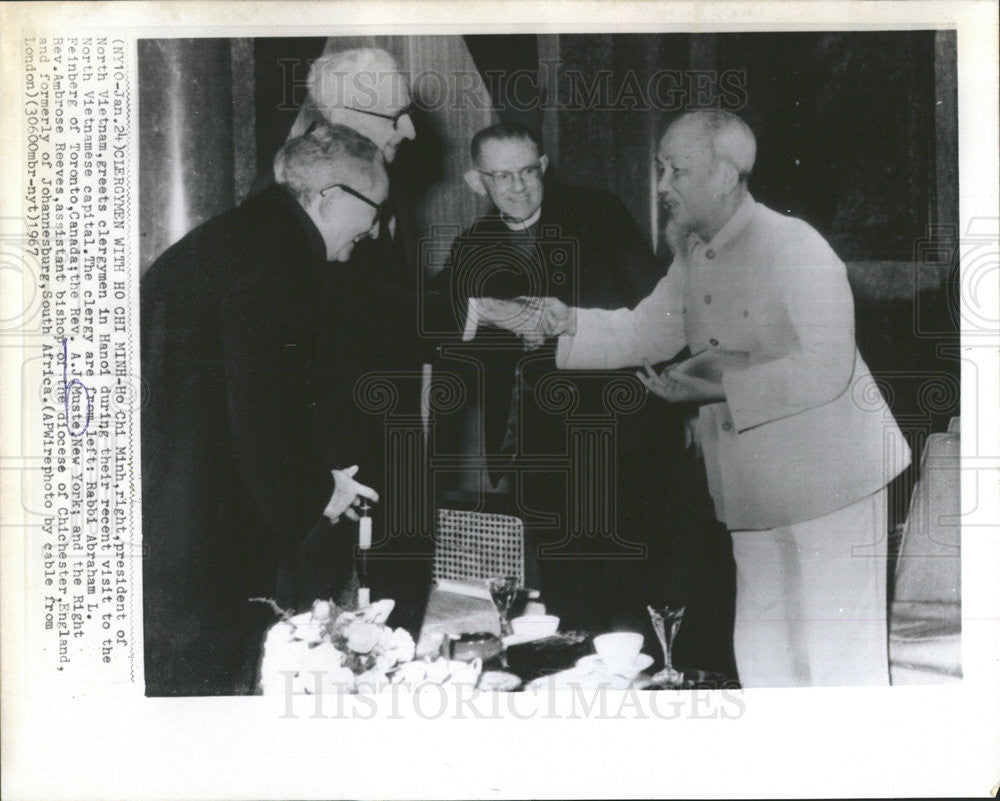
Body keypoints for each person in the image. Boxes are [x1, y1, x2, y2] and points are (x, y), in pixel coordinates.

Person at [480, 110, 911, 687]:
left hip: (832, 479)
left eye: (676, 171)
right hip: (754, 485)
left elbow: (826, 366)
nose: (661, 187)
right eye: (661, 169)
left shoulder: (796, 247)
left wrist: (715, 389)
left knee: (836, 657)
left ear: (726, 176)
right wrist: (566, 322)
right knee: (762, 650)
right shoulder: (694, 253)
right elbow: (644, 332)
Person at [427, 121, 729, 641]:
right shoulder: (474, 244)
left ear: (543, 167)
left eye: (527, 172)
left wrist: (684, 408)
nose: (517, 188)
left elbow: (653, 316)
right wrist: (489, 313)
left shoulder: (597, 213)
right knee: (567, 602)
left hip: (620, 434)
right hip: (537, 448)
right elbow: (435, 314)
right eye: (501, 177)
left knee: (636, 591)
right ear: (476, 182)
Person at [141, 123, 390, 695]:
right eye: (374, 210)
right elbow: (258, 411)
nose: (374, 230)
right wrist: (319, 492)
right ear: (329, 198)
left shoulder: (246, 237)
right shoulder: (274, 263)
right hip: (196, 537)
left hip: (177, 514)